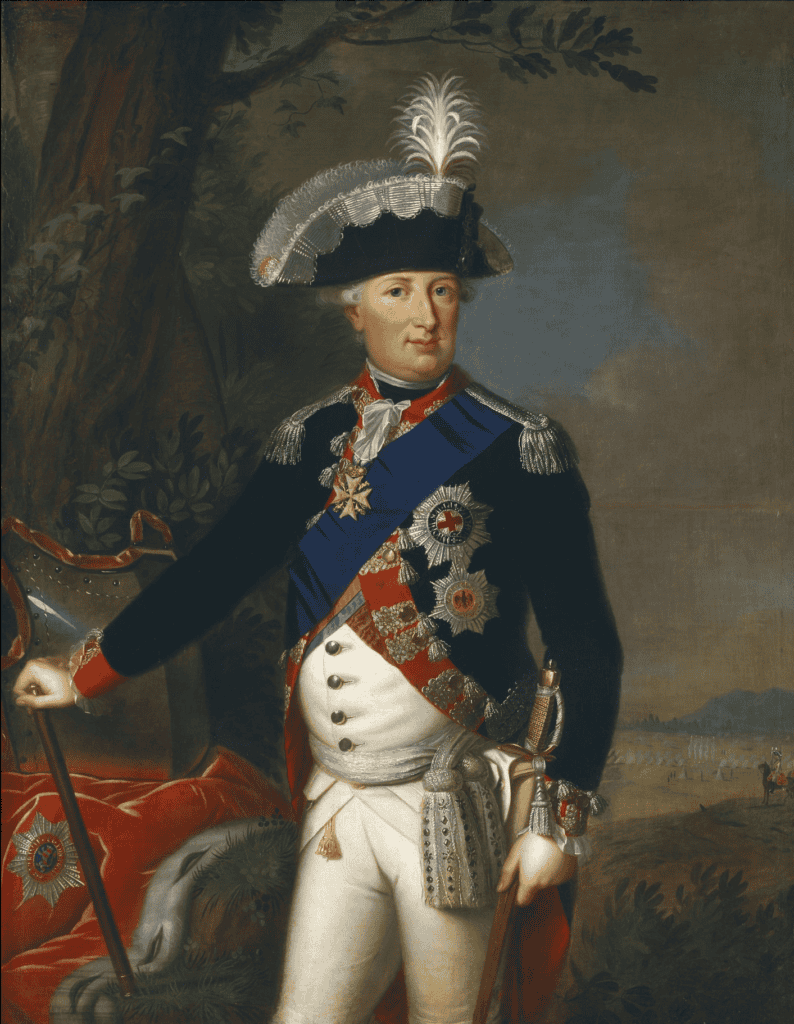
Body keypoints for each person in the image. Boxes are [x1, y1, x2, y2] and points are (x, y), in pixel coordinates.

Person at [16, 74, 621, 1024]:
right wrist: (87, 671)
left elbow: (587, 644)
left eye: (444, 291)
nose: (427, 315)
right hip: (338, 804)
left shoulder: (517, 445)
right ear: (354, 308)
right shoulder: (309, 438)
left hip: (447, 806)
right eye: (399, 291)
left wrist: (559, 819)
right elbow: (216, 574)